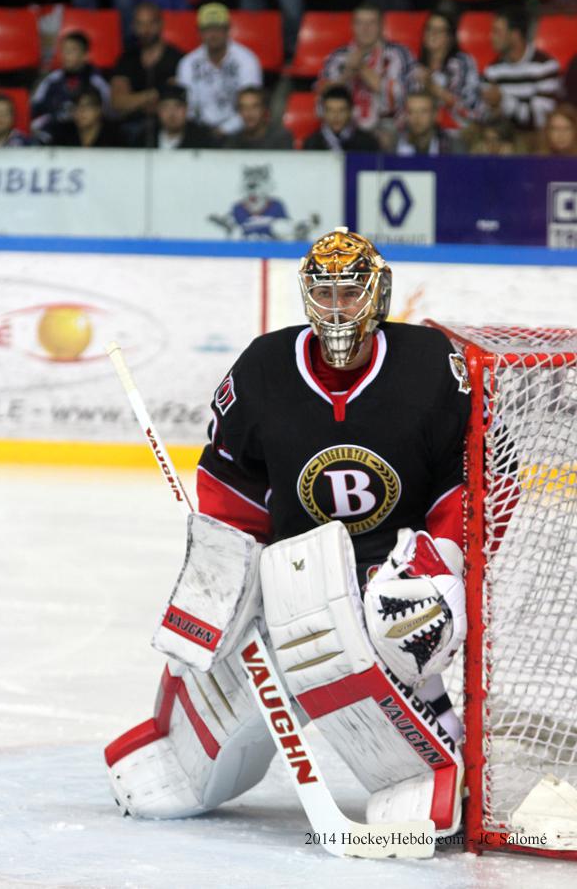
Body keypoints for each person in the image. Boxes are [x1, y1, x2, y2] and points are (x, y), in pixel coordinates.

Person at [105, 228, 470, 839]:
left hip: (397, 569)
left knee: (393, 625)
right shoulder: (263, 368)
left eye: (349, 294)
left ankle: (422, 762)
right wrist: (229, 564)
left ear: (377, 295)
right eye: (323, 293)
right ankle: (185, 754)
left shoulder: (431, 366)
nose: (335, 309)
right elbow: (232, 479)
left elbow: (471, 473)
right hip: (294, 565)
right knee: (230, 656)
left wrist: (443, 557)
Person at [317, 2, 414, 146]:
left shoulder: (398, 54)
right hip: (346, 124)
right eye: (360, 23)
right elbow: (324, 99)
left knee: (384, 138)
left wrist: (362, 69)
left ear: (381, 26)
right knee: (325, 136)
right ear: (352, 26)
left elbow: (398, 98)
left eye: (371, 23)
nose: (365, 29)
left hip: (385, 124)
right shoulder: (338, 57)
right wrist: (346, 75)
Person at [177, 3, 262, 138]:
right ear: (199, 32)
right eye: (208, 29)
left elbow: (252, 107)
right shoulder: (188, 64)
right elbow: (187, 107)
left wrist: (224, 130)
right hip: (198, 132)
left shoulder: (247, 60)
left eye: (218, 29)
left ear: (228, 30)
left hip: (239, 132)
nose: (213, 34)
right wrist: (200, 132)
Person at [111, 1, 183, 147]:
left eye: (151, 23)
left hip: (166, 127)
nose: (145, 30)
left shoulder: (177, 59)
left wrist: (134, 101)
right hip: (129, 128)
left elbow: (175, 104)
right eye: (140, 24)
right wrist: (155, 94)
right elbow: (118, 103)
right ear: (133, 26)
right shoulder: (126, 59)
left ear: (161, 24)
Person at [480, 8, 561, 134]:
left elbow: (541, 119)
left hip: (533, 138)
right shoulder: (492, 70)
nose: (491, 36)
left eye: (497, 31)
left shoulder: (545, 66)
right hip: (502, 137)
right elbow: (484, 115)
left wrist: (503, 101)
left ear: (515, 35)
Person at [31, 31, 111, 140]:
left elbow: (108, 111)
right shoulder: (51, 80)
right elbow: (35, 110)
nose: (66, 55)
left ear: (85, 55)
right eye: (64, 50)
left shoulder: (96, 82)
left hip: (86, 137)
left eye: (72, 50)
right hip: (54, 136)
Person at [410, 11, 480, 130]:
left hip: (458, 130)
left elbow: (464, 108)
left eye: (440, 30)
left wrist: (432, 86)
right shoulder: (416, 66)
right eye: (430, 29)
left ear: (450, 37)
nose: (433, 34)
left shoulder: (462, 62)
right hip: (423, 129)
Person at [136, 84, 218, 149]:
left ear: (186, 110)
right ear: (158, 111)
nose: (172, 113)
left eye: (178, 107)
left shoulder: (202, 139)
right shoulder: (146, 137)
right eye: (165, 107)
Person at [303, 86, 380, 151]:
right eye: (330, 110)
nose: (336, 116)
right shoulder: (312, 143)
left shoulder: (367, 142)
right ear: (324, 113)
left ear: (350, 111)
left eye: (341, 110)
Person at [47, 87, 122, 147]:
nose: (80, 112)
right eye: (76, 107)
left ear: (98, 110)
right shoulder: (64, 133)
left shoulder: (114, 136)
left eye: (86, 106)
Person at [223, 86, 294, 150]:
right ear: (239, 112)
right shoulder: (233, 142)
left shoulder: (281, 138)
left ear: (264, 109)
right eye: (243, 108)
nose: (249, 113)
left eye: (255, 107)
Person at [396, 90, 454, 155]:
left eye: (424, 111)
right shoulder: (393, 146)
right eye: (411, 112)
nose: (417, 117)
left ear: (435, 114)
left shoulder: (452, 147)